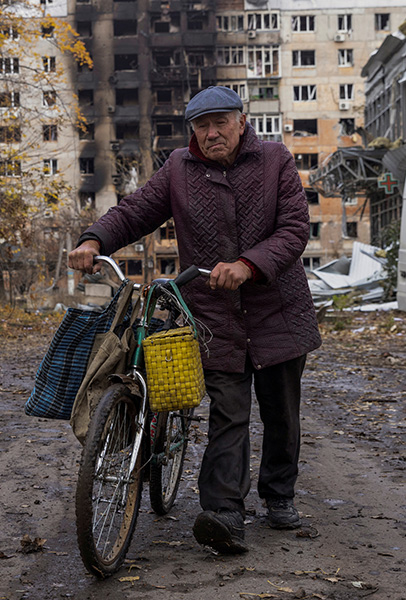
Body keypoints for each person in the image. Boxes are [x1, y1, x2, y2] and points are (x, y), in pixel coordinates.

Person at [68, 86, 321, 555]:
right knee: (229, 413)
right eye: (201, 126)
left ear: (241, 121)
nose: (211, 133)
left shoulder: (275, 160)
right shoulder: (180, 170)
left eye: (219, 122)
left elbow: (293, 230)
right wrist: (94, 240)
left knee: (281, 412)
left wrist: (248, 264)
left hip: (277, 311)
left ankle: (279, 494)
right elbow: (136, 210)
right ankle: (224, 512)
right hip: (213, 316)